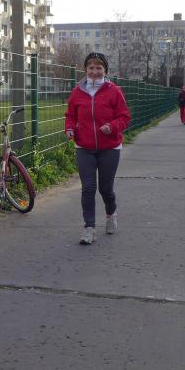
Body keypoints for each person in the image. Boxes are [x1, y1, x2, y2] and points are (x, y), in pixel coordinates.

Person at [65, 52, 131, 245]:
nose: (95, 71)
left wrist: (112, 126)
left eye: (99, 68)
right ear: (85, 70)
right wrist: (69, 128)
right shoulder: (77, 92)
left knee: (105, 189)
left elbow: (124, 117)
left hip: (109, 147)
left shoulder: (114, 91)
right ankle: (89, 228)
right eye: (91, 67)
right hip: (84, 146)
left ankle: (111, 214)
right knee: (88, 188)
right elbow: (70, 115)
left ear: (105, 70)